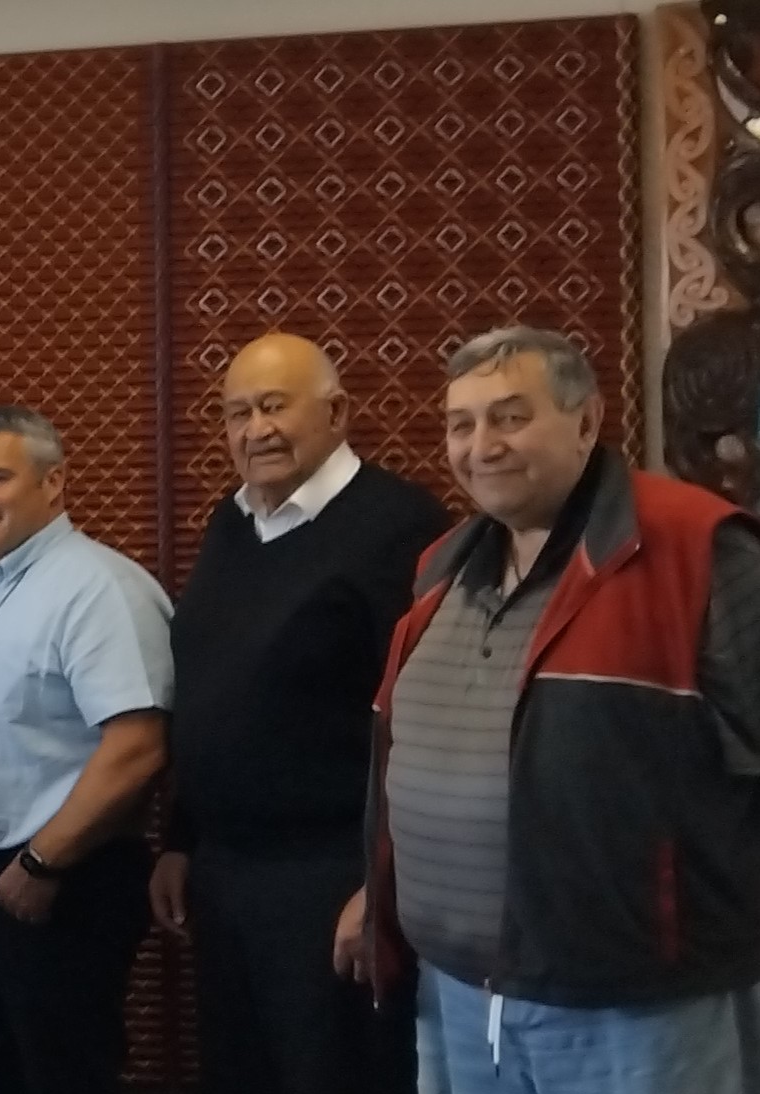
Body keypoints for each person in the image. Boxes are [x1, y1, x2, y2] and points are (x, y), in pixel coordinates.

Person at [355, 328, 760, 1094]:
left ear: (586, 422)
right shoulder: (442, 567)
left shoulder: (698, 554)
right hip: (461, 1000)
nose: (481, 445)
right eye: (461, 424)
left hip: (644, 1009)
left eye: (509, 417)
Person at [151, 334, 441, 1094]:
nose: (256, 430)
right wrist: (182, 837)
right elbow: (213, 690)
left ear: (338, 412)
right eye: (237, 413)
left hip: (331, 877)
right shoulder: (232, 524)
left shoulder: (398, 527)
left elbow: (426, 724)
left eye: (275, 406)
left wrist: (384, 883)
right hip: (227, 876)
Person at [0, 404, 172, 1094]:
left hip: (58, 881)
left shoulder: (99, 589)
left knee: (60, 1074)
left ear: (53, 484)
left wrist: (42, 860)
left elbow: (138, 746)